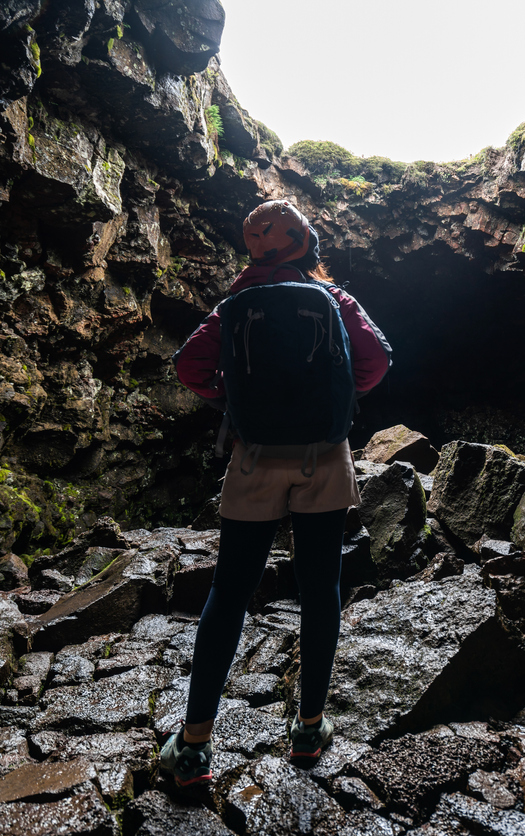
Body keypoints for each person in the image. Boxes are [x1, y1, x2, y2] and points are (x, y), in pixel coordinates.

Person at [160, 200, 391, 787]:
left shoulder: (233, 307)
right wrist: (335, 405)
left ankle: (193, 747)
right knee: (320, 588)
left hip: (254, 454)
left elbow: (189, 367)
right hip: (324, 456)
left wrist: (234, 404)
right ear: (305, 244)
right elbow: (378, 361)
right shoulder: (335, 299)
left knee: (231, 590)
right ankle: (309, 728)